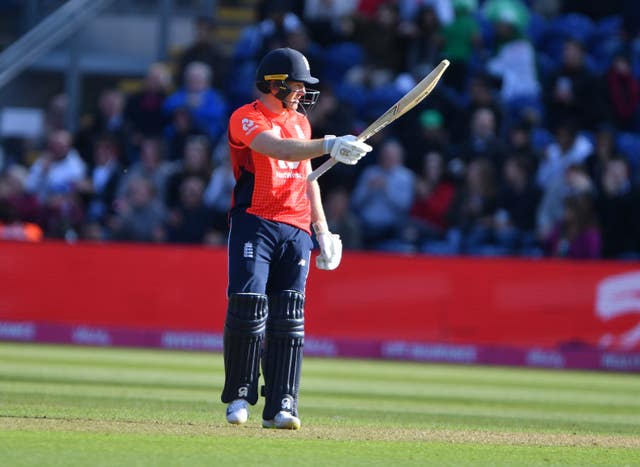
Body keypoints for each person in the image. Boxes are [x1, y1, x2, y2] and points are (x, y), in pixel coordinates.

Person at [221, 47, 371, 430]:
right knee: (248, 305)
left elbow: (309, 179)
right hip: (256, 219)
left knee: (289, 316)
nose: (303, 93)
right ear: (275, 83)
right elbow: (276, 148)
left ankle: (282, 404)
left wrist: (323, 230)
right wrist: (329, 144)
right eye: (298, 86)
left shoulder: (301, 123)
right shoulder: (246, 118)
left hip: (296, 227)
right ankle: (239, 394)